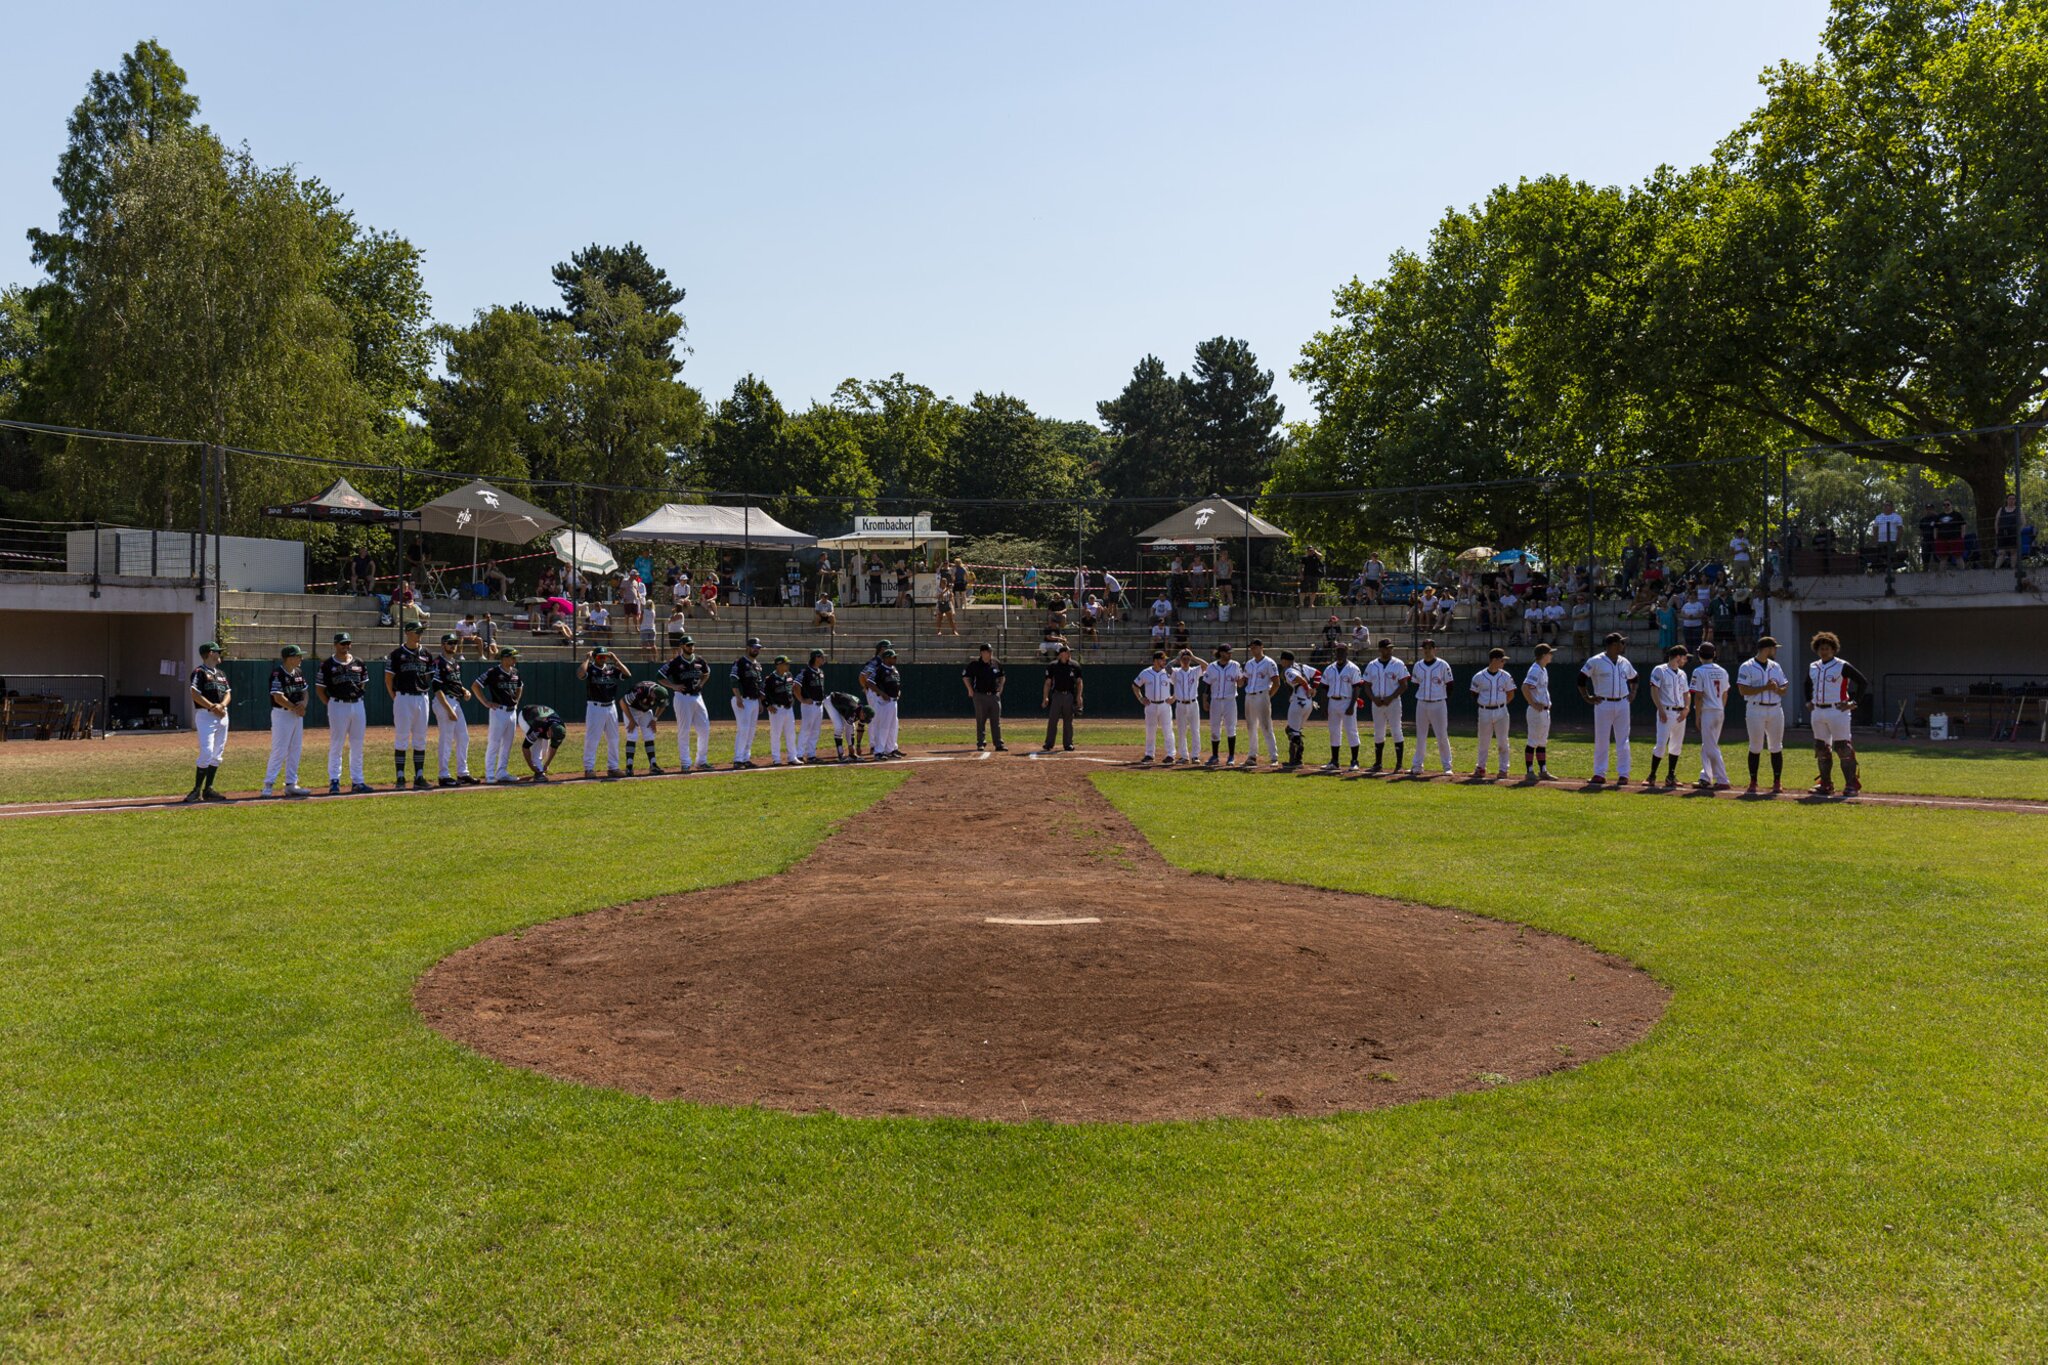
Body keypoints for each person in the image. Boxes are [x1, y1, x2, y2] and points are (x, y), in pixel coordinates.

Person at [1807, 631, 1868, 797]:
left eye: (1827, 648)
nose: (1824, 651)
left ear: (1833, 649)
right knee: (1821, 748)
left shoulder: (1842, 665)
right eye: (1821, 648)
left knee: (1843, 748)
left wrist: (1854, 703)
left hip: (1838, 710)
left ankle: (1851, 784)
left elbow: (1862, 682)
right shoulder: (1814, 666)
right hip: (1818, 711)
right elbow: (1807, 684)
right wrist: (1808, 700)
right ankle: (1825, 784)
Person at [1577, 631, 1639, 786]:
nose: (1623, 645)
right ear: (1613, 645)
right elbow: (1581, 679)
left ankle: (1624, 774)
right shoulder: (1596, 661)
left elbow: (1635, 678)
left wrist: (1633, 693)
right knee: (1602, 739)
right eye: (1621, 642)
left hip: (1623, 703)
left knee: (1623, 739)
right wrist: (1587, 697)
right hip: (1602, 703)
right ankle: (1599, 773)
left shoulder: (1624, 661)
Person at [317, 633, 372, 794]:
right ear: (335, 645)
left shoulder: (359, 662)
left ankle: (358, 781)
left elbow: (363, 684)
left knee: (357, 744)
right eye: (342, 643)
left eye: (347, 643)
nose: (345, 646)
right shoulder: (327, 665)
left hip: (358, 705)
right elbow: (320, 689)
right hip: (337, 705)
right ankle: (334, 780)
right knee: (337, 744)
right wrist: (331, 704)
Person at [1736, 635, 1789, 795]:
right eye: (1774, 648)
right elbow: (1743, 690)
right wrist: (1765, 688)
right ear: (1766, 649)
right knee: (1755, 746)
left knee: (1776, 747)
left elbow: (1784, 688)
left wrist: (1777, 690)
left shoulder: (1775, 666)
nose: (1775, 651)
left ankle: (1777, 782)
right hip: (1755, 709)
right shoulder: (1747, 666)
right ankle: (1753, 782)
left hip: (1775, 709)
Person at [384, 621, 433, 791]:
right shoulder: (396, 654)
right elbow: (388, 680)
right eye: (416, 631)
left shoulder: (426, 653)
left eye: (420, 631)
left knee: (420, 738)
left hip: (422, 698)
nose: (419, 634)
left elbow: (428, 678)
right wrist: (396, 698)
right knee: (402, 737)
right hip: (403, 698)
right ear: (407, 633)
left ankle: (419, 776)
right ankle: (400, 777)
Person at [261, 645, 312, 799]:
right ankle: (268, 785)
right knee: (280, 749)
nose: (301, 658)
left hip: (296, 715)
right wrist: (294, 708)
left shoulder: (298, 672)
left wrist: (303, 705)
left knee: (295, 749)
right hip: (282, 714)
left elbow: (305, 692)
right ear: (289, 658)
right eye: (298, 656)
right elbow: (278, 697)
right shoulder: (278, 673)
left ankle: (291, 784)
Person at [184, 642, 232, 803]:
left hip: (222, 715)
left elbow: (228, 694)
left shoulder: (221, 673)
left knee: (217, 754)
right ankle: (196, 790)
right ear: (210, 653)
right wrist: (212, 706)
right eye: (218, 652)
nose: (220, 654)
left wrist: (222, 705)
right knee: (207, 752)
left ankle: (208, 789)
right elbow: (194, 693)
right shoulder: (199, 672)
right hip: (206, 715)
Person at [470, 646, 524, 785]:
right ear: (505, 658)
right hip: (498, 711)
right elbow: (475, 685)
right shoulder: (493, 672)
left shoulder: (515, 672)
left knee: (507, 744)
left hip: (512, 712)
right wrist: (486, 702)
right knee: (494, 743)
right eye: (513, 657)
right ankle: (489, 774)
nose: (515, 660)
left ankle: (502, 772)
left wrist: (516, 700)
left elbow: (520, 686)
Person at [430, 632, 478, 788]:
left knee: (463, 737)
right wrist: (449, 709)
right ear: (443, 644)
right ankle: (443, 775)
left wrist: (464, 690)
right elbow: (437, 688)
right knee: (447, 738)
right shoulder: (438, 662)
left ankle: (463, 773)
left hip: (455, 701)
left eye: (455, 642)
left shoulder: (455, 663)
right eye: (450, 643)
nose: (453, 645)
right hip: (445, 702)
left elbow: (454, 683)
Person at [578, 645, 630, 779]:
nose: (603, 659)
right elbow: (580, 674)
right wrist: (587, 659)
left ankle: (613, 767)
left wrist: (616, 659)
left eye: (605, 656)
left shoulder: (611, 669)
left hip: (611, 707)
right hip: (595, 707)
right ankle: (589, 769)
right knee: (592, 739)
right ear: (595, 657)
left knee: (613, 739)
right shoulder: (590, 668)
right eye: (600, 656)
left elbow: (627, 674)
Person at [1646, 644, 1692, 789]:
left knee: (1676, 745)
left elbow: (1687, 693)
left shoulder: (1682, 674)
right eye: (1684, 657)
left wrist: (1686, 708)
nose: (1685, 660)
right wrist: (1660, 709)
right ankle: (1652, 775)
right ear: (1678, 657)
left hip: (1680, 713)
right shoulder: (1660, 670)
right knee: (1661, 745)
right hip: (1666, 711)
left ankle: (1671, 776)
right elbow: (1654, 690)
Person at [1409, 639, 1455, 776]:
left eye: (1429, 647)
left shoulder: (1442, 665)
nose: (1427, 650)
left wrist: (1442, 697)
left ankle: (1447, 766)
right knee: (1420, 736)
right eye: (1425, 648)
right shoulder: (1418, 665)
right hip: (1422, 703)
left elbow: (1450, 684)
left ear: (1435, 649)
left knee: (1441, 735)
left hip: (1438, 703)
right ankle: (1417, 765)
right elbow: (1416, 683)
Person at [1363, 637, 1409, 773]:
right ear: (1380, 649)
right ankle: (1378, 763)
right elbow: (1366, 685)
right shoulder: (1372, 665)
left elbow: (1404, 685)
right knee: (1378, 732)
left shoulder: (1398, 664)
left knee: (1396, 730)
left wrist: (1391, 697)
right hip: (1377, 703)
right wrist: (1373, 698)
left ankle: (1399, 764)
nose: (1389, 650)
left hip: (1393, 702)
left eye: (1390, 648)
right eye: (1386, 648)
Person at [1467, 648, 1515, 779]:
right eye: (1502, 660)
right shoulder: (1479, 676)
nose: (1503, 663)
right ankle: (1481, 768)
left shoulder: (1505, 676)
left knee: (1503, 742)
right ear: (1494, 660)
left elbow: (1511, 693)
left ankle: (1503, 769)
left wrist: (1501, 704)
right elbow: (1474, 694)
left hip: (1501, 711)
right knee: (1483, 741)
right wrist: (1485, 704)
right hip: (1484, 711)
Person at [1690, 641, 1732, 789]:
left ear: (1700, 655)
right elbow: (1725, 693)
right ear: (1714, 654)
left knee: (1711, 747)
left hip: (1708, 711)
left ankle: (1722, 779)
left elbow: (1698, 696)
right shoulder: (1723, 671)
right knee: (1707, 746)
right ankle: (1706, 777)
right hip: (1719, 710)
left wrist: (1697, 716)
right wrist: (1720, 708)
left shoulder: (1699, 671)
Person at [1320, 641, 1362, 772]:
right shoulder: (1330, 669)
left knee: (1351, 731)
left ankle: (1354, 761)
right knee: (1334, 731)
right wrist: (1325, 706)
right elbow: (1324, 688)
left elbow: (1356, 688)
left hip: (1347, 701)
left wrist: (1351, 705)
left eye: (1342, 651)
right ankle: (1334, 761)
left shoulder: (1353, 668)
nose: (1340, 653)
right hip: (1333, 701)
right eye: (1338, 651)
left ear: (1347, 652)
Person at [1201, 642, 1243, 766]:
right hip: (1216, 701)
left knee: (1231, 727)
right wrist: (1205, 700)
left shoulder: (1235, 665)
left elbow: (1240, 683)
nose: (1230, 655)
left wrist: (1241, 679)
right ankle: (1215, 756)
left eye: (1230, 653)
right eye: (1228, 652)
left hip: (1230, 700)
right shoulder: (1212, 667)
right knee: (1214, 728)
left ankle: (1231, 756)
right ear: (1222, 653)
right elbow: (1207, 685)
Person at [1240, 638, 1280, 767]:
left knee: (1266, 726)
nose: (1252, 649)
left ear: (1261, 647)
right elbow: (1243, 681)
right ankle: (1252, 756)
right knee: (1251, 726)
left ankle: (1274, 757)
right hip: (1249, 696)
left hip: (1262, 694)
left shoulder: (1269, 662)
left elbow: (1276, 682)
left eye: (1255, 647)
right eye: (1251, 647)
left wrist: (1268, 696)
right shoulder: (1249, 663)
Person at [1132, 650, 1177, 765]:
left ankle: (1171, 755)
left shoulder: (1168, 672)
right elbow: (1135, 686)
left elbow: (1179, 684)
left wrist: (1174, 697)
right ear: (1156, 660)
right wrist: (1141, 698)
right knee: (1150, 730)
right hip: (1150, 705)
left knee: (1168, 730)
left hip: (1165, 705)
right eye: (1162, 659)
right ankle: (1149, 754)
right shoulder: (1146, 672)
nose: (1164, 661)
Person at [962, 643, 1006, 752]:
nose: (990, 654)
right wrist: (970, 689)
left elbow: (1002, 676)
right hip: (980, 696)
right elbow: (965, 676)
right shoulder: (975, 664)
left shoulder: (996, 663)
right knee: (981, 720)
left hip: (994, 696)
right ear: (982, 653)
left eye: (991, 651)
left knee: (996, 721)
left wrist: (1000, 686)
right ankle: (981, 743)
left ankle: (998, 743)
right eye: (988, 652)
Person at [1521, 642, 1555, 782]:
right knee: (1533, 741)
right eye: (1549, 653)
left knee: (1542, 741)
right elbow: (1525, 687)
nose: (1551, 656)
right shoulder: (1535, 669)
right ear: (1543, 655)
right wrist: (1533, 703)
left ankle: (1543, 770)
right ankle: (1529, 771)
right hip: (1536, 712)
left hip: (1544, 711)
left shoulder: (1543, 669)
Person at [621, 678, 670, 776]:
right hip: (631, 709)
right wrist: (631, 720)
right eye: (656, 699)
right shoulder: (640, 690)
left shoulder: (661, 692)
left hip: (646, 711)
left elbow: (662, 705)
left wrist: (654, 719)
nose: (656, 701)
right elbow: (622, 702)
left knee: (649, 735)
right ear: (652, 694)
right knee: (632, 736)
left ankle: (653, 765)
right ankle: (629, 767)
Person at [730, 637, 766, 768]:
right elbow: (733, 680)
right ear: (748, 648)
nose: (756, 650)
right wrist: (738, 697)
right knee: (744, 729)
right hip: (743, 700)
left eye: (758, 648)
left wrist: (760, 702)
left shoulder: (757, 665)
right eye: (754, 647)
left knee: (751, 731)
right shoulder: (739, 662)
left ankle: (746, 758)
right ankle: (738, 759)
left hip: (754, 701)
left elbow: (758, 685)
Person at [1042, 644, 1084, 752]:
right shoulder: (1053, 666)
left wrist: (1079, 696)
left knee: (1068, 721)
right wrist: (1045, 697)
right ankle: (1049, 743)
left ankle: (1068, 743)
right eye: (1067, 652)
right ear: (1061, 654)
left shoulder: (1075, 665)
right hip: (1057, 695)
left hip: (1069, 695)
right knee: (1053, 720)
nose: (1069, 654)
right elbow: (1048, 683)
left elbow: (1079, 682)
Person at [1281, 650, 1318, 768]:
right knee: (1295, 730)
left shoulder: (1288, 670)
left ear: (1285, 660)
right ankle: (1295, 759)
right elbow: (1318, 674)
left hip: (1298, 702)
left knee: (1292, 731)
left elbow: (1300, 679)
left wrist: (1308, 688)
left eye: (1282, 660)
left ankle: (1297, 761)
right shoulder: (1303, 666)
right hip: (1308, 703)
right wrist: (1314, 687)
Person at [1170, 647, 1205, 766]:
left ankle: (1195, 756)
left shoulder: (1195, 670)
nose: (1186, 661)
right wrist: (1176, 659)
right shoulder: (1175, 672)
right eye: (1183, 659)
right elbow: (1165, 669)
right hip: (1180, 704)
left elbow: (1207, 666)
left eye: (1187, 659)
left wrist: (1194, 657)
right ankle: (1184, 756)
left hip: (1193, 703)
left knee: (1195, 730)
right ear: (1180, 660)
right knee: (1181, 731)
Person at [763, 656, 800, 765]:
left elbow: (791, 690)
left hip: (788, 709)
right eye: (786, 663)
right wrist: (767, 705)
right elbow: (763, 693)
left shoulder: (789, 675)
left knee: (791, 734)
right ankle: (776, 759)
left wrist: (792, 700)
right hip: (777, 709)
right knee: (776, 734)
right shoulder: (770, 679)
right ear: (779, 665)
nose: (788, 665)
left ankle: (792, 757)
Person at [796, 650, 830, 762]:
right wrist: (802, 699)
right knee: (806, 729)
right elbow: (795, 685)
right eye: (821, 657)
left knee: (815, 731)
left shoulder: (821, 672)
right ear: (816, 658)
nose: (823, 659)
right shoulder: (805, 671)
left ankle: (811, 755)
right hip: (809, 706)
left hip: (819, 705)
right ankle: (799, 754)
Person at [869, 647, 904, 757]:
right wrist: (881, 693)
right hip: (884, 702)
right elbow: (869, 683)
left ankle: (890, 749)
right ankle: (879, 751)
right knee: (883, 727)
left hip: (893, 702)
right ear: (886, 658)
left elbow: (895, 683)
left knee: (893, 727)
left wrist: (898, 692)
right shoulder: (880, 669)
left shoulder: (894, 669)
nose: (895, 658)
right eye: (893, 657)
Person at [519, 703, 567, 782]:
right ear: (550, 730)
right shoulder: (539, 726)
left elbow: (554, 747)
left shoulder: (561, 729)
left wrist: (547, 763)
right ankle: (539, 773)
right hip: (525, 715)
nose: (553, 740)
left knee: (544, 751)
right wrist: (531, 766)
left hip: (541, 717)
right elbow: (525, 747)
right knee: (537, 744)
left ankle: (539, 766)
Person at [825, 688, 873, 762]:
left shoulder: (861, 711)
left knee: (851, 726)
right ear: (862, 713)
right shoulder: (853, 709)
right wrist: (851, 746)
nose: (864, 720)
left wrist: (858, 745)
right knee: (839, 727)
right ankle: (841, 755)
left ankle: (851, 755)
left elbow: (860, 727)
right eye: (865, 718)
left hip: (841, 704)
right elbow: (848, 728)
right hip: (831, 701)